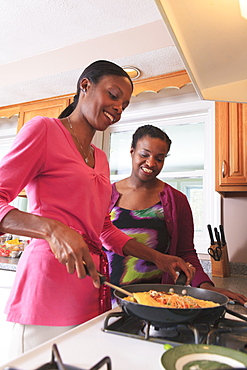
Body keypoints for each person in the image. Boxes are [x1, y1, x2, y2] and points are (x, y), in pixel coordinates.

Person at [0, 61, 194, 356]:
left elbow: (103, 229)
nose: (118, 108)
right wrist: (52, 229)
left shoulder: (101, 158)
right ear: (85, 86)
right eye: (113, 95)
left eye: (125, 104)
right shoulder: (44, 130)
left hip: (91, 288)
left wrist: (160, 259)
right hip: (48, 285)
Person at [105, 124, 247, 305]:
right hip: (109, 299)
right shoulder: (105, 194)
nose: (151, 163)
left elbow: (185, 253)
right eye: (144, 154)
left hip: (158, 301)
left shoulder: (176, 200)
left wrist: (206, 287)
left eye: (159, 158)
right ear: (132, 151)